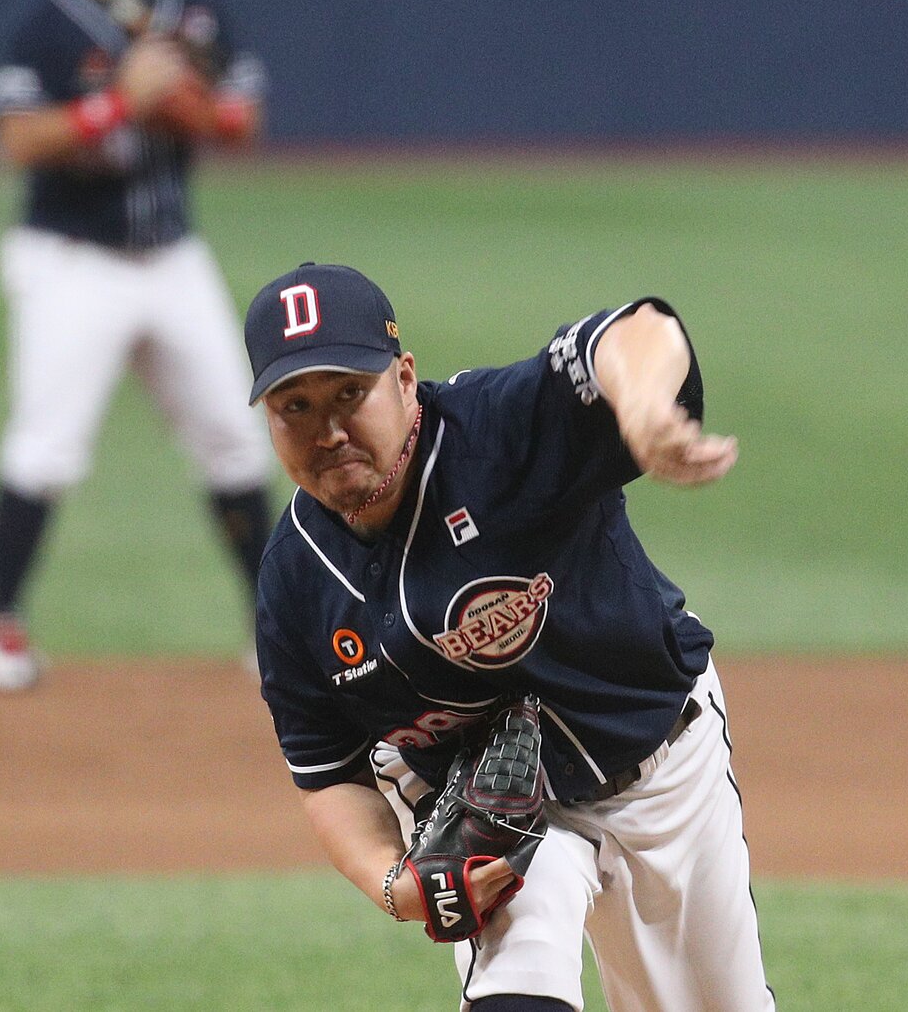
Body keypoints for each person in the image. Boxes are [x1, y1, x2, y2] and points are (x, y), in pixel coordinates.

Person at [246, 262, 776, 1012]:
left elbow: (641, 331)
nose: (327, 431)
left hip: (661, 762)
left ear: (403, 379)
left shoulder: (494, 431)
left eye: (348, 394)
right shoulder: (294, 584)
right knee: (517, 982)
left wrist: (645, 405)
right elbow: (329, 772)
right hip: (498, 814)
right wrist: (397, 886)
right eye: (293, 405)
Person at [0, 0, 273, 691]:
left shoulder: (193, 10)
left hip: (174, 257)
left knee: (237, 440)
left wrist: (194, 107)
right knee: (46, 448)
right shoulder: (41, 22)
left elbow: (244, 118)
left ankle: (272, 629)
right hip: (71, 260)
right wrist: (119, 102)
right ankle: (1, 632)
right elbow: (14, 137)